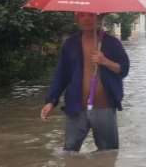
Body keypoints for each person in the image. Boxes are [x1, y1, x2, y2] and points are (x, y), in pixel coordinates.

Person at [41, 12, 130, 152]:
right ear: (77, 19)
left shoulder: (112, 43)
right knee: (70, 152)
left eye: (91, 15)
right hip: (76, 107)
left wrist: (105, 61)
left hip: (105, 107)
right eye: (82, 15)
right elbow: (61, 75)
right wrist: (51, 101)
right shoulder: (70, 44)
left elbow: (124, 69)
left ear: (99, 18)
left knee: (108, 153)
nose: (87, 19)